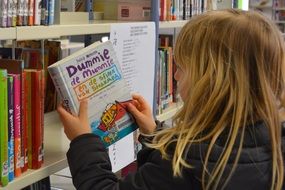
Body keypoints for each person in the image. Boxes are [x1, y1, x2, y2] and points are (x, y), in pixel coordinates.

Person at [57, 9, 285, 190]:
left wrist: (83, 140)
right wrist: (153, 133)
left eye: (183, 68)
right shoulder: (272, 144)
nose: (175, 75)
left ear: (211, 82)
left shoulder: (186, 162)